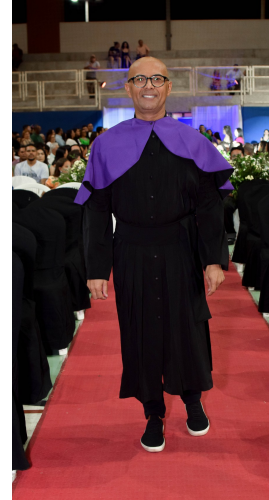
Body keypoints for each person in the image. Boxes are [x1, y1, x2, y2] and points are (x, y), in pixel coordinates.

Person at [75, 56, 233, 454]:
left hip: (181, 248)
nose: (149, 85)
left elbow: (209, 206)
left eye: (157, 78)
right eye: (140, 79)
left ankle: (192, 398)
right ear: (128, 88)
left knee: (187, 327)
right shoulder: (106, 145)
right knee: (140, 331)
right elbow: (96, 209)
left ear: (168, 87)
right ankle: (152, 411)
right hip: (131, 250)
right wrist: (97, 268)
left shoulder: (193, 141)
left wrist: (213, 259)